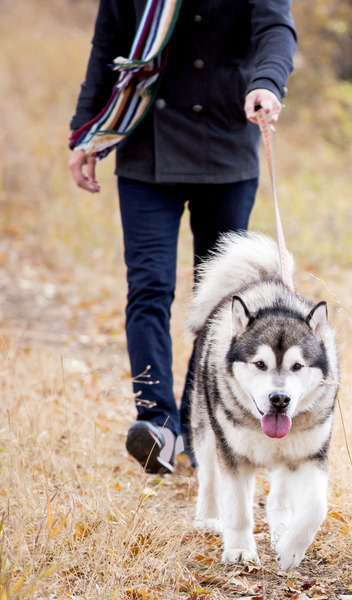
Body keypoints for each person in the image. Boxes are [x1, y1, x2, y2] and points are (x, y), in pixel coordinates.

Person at [69, 0, 297, 474]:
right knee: (149, 286)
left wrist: (267, 84)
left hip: (227, 146)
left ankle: (196, 423)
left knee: (218, 301)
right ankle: (156, 422)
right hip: (145, 143)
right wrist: (86, 130)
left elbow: (277, 30)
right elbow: (107, 46)